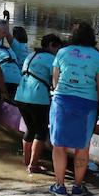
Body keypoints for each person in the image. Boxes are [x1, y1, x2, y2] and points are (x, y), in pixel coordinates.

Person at [48, 20, 99, 196]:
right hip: (87, 104)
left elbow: (55, 81)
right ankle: (78, 186)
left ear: (72, 36)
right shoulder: (97, 56)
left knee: (59, 145)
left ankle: (60, 185)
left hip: (62, 101)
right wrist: (93, 100)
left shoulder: (62, 53)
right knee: (83, 147)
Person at [14, 33, 61, 175]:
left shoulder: (31, 55)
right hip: (37, 97)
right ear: (52, 45)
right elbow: (56, 82)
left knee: (30, 129)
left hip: (20, 95)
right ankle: (33, 166)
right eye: (57, 48)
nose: (58, 52)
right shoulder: (52, 59)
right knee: (41, 132)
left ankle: (27, 161)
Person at [0, 25, 27, 98]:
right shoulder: (26, 47)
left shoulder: (17, 46)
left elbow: (7, 33)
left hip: (17, 75)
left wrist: (5, 22)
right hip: (22, 77)